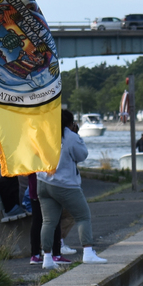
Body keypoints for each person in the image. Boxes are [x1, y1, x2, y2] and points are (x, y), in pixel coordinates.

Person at [39, 110, 106, 270]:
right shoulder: (70, 136)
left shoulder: (43, 134)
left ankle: (47, 258)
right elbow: (82, 155)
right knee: (83, 216)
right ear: (70, 123)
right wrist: (75, 134)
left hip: (42, 181)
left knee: (49, 221)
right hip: (64, 184)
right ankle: (88, 253)